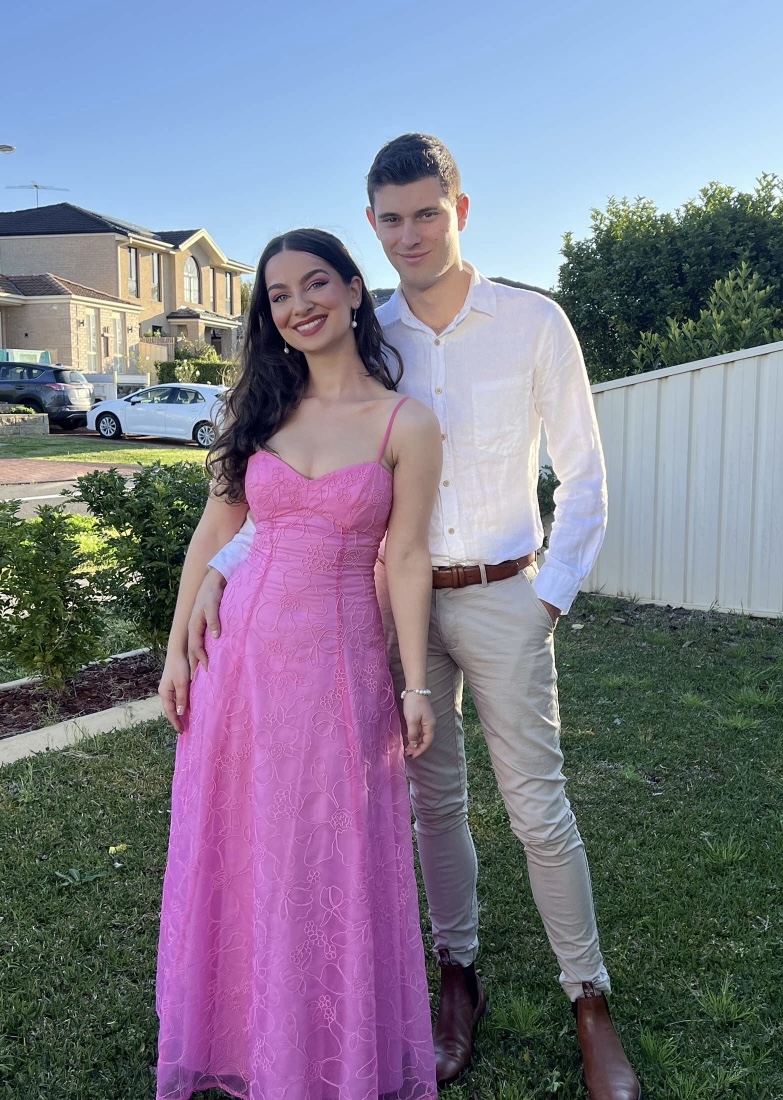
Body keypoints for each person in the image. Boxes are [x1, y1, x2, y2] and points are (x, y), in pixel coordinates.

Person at [187, 136, 640, 1100]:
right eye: (391, 219)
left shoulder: (532, 321)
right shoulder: (365, 329)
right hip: (385, 607)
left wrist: (547, 597)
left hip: (504, 592)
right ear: (371, 228)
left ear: (459, 210)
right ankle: (456, 976)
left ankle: (588, 998)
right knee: (429, 801)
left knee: (537, 805)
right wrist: (224, 569)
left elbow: (585, 476)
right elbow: (301, 481)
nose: (410, 234)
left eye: (427, 213)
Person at [155, 228, 442, 1100]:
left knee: (326, 852)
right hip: (238, 664)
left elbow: (406, 557)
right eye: (278, 295)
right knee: (245, 845)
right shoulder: (259, 414)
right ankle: (248, 1036)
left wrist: (416, 683)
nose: (298, 305)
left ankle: (325, 1052)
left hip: (339, 670)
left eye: (315, 283)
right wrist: (176, 650)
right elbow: (216, 533)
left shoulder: (405, 422)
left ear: (354, 289)